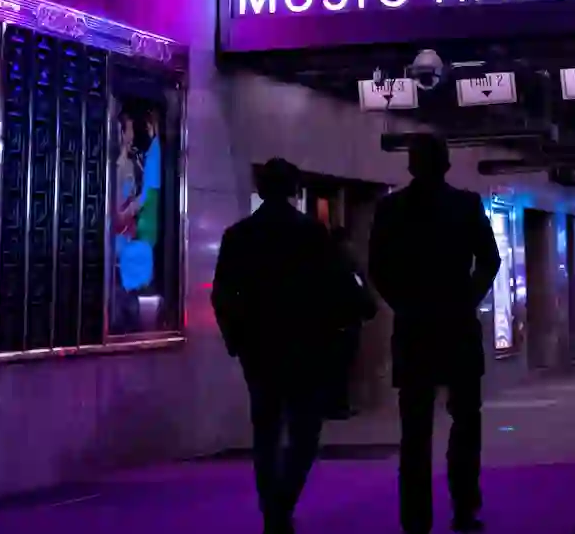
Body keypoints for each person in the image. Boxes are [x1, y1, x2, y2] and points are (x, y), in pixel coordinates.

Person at [212, 158, 362, 534]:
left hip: (258, 347)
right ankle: (282, 503)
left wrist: (236, 339)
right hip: (305, 345)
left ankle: (271, 509)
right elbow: (338, 285)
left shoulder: (239, 236)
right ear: (294, 190)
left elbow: (223, 294)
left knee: (266, 429)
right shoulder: (312, 234)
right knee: (304, 431)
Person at [369, 135, 501, 534]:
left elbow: (378, 268)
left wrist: (405, 302)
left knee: (415, 431)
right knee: (465, 422)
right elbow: (489, 259)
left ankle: (415, 518)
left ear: (410, 166)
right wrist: (467, 297)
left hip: (414, 329)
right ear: (446, 165)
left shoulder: (390, 209)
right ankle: (464, 508)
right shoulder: (465, 205)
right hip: (457, 326)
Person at [324, 226, 379, 420]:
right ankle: (338, 405)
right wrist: (369, 309)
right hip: (346, 321)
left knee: (332, 366)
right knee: (342, 365)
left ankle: (331, 404)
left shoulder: (323, 264)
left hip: (329, 322)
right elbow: (360, 291)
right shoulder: (348, 264)